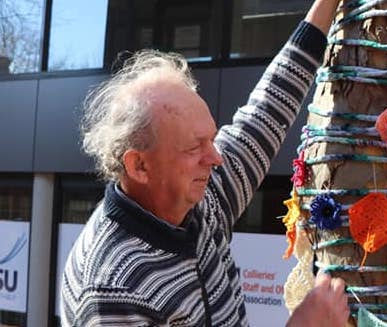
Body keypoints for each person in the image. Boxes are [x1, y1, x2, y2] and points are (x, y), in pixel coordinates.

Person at [61, 0, 350, 325]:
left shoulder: (196, 199)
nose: (215, 158)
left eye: (211, 139)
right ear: (139, 166)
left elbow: (268, 109)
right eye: (193, 148)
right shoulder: (112, 287)